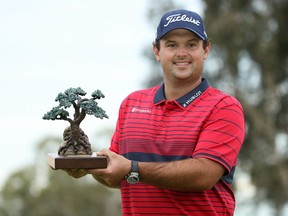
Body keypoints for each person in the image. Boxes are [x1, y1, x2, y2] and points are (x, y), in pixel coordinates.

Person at [66, 9, 245, 216]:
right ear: (157, 51)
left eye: (191, 44)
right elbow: (117, 174)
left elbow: (204, 175)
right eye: (171, 45)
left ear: (206, 50)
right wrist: (87, 168)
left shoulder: (223, 107)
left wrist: (133, 168)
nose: (182, 53)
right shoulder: (131, 104)